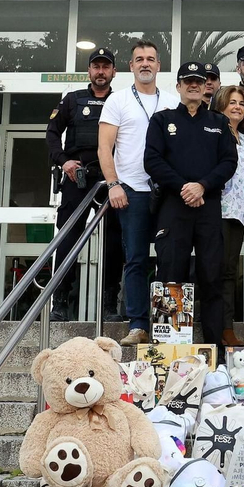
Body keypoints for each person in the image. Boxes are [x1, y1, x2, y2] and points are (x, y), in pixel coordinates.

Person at [145, 62, 239, 350]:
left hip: (208, 207)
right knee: (171, 273)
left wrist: (203, 186)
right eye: (188, 81)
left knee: (212, 275)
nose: (194, 85)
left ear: (206, 86)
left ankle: (214, 347)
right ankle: (169, 348)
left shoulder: (218, 122)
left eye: (200, 81)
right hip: (174, 206)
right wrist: (184, 187)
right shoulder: (162, 120)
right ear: (179, 86)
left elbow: (229, 162)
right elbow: (152, 160)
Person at [98, 40, 179, 345]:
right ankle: (138, 324)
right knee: (136, 259)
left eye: (151, 59)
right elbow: (105, 147)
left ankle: (168, 324)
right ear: (131, 67)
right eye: (139, 59)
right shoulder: (117, 101)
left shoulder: (172, 102)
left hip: (168, 192)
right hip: (132, 190)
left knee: (171, 259)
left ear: (159, 65)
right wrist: (113, 184)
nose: (145, 64)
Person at [45, 47, 124, 321]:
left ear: (114, 71)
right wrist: (64, 161)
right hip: (77, 178)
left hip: (111, 180)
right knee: (69, 239)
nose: (101, 71)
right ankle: (61, 302)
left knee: (114, 243)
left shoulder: (123, 101)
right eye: (96, 66)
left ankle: (110, 305)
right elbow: (52, 134)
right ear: (89, 71)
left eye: (106, 67)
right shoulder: (72, 100)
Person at [214, 84, 244, 345]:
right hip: (215, 211)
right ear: (220, 106)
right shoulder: (213, 133)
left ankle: (226, 327)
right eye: (232, 102)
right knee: (213, 271)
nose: (237, 106)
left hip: (238, 214)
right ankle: (214, 326)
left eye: (241, 102)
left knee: (229, 272)